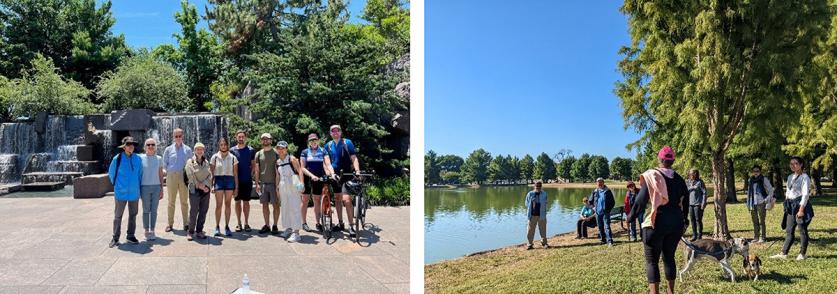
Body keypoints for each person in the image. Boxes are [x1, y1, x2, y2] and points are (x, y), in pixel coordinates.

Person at [627, 146, 689, 294]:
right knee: (669, 258)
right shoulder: (679, 179)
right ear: (673, 160)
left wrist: (630, 217)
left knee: (652, 261)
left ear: (659, 159)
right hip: (675, 224)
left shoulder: (652, 176)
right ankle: (670, 292)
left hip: (656, 223)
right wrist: (685, 219)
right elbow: (686, 200)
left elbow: (640, 202)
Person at [770, 156, 814, 261]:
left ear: (801, 165)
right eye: (791, 164)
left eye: (795, 163)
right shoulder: (790, 177)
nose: (793, 166)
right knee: (789, 230)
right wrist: (786, 203)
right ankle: (783, 253)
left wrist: (801, 209)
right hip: (791, 206)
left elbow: (805, 195)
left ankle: (802, 254)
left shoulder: (805, 177)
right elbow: (788, 192)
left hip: (800, 205)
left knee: (802, 229)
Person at [323, 125, 361, 237]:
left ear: (341, 132)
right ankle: (340, 223)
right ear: (330, 133)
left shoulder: (347, 142)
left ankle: (351, 225)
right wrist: (330, 173)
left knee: (347, 200)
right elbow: (326, 162)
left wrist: (357, 170)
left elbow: (354, 158)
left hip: (346, 175)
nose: (335, 132)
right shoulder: (328, 145)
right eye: (333, 131)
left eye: (337, 130)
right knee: (338, 199)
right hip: (335, 176)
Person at [108, 136, 143, 248]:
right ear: (124, 147)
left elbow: (140, 174)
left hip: (134, 192)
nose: (131, 146)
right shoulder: (117, 159)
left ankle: (130, 235)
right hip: (121, 192)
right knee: (118, 216)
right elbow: (111, 174)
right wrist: (117, 186)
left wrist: (137, 187)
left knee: (133, 215)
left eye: (132, 144)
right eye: (128, 144)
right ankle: (115, 237)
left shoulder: (138, 159)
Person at [163, 128, 193, 232]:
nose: (178, 138)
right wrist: (168, 172)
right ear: (173, 137)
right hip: (171, 176)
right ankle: (170, 224)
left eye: (180, 136)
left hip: (183, 176)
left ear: (183, 136)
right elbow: (164, 163)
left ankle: (186, 224)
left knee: (184, 201)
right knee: (171, 201)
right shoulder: (168, 149)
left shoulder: (188, 150)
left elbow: (191, 164)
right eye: (176, 136)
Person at [276, 141, 305, 242]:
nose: (280, 150)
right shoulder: (278, 161)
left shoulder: (292, 159)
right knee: (285, 207)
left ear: (286, 149)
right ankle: (288, 228)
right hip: (283, 184)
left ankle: (296, 233)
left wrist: (302, 184)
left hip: (293, 182)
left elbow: (300, 170)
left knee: (294, 207)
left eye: (282, 148)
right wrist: (277, 188)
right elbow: (278, 175)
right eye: (279, 148)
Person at [210, 137, 239, 237]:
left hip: (229, 180)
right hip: (218, 180)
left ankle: (227, 226)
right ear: (219, 146)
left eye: (225, 144)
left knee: (227, 204)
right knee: (218, 205)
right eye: (221, 145)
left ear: (227, 145)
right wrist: (212, 185)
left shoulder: (233, 158)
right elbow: (212, 173)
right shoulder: (214, 157)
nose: (223, 146)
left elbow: (235, 174)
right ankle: (217, 226)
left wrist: (236, 187)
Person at [185, 143, 212, 241]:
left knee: (203, 211)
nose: (200, 151)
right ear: (194, 151)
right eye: (197, 149)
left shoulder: (206, 162)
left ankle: (199, 230)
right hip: (194, 189)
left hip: (205, 190)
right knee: (194, 211)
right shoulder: (190, 162)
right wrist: (200, 185)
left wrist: (206, 186)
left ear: (204, 150)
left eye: (201, 149)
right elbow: (190, 176)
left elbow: (210, 175)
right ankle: (190, 231)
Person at [300, 133, 327, 232]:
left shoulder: (323, 150)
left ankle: (318, 223)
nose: (313, 142)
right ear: (309, 142)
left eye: (315, 140)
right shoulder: (305, 152)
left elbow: (326, 164)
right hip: (307, 177)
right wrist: (311, 176)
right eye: (311, 140)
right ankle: (303, 223)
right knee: (305, 200)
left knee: (317, 200)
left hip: (319, 178)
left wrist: (328, 173)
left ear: (318, 140)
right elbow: (302, 167)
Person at [254, 133, 280, 235]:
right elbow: (257, 170)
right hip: (263, 183)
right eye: (263, 139)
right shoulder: (258, 154)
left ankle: (275, 225)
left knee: (276, 205)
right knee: (264, 205)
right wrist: (257, 184)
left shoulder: (276, 153)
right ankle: (267, 225)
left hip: (274, 183)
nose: (265, 141)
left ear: (271, 140)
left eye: (267, 139)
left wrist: (279, 184)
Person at [230, 130, 256, 232]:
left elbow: (253, 164)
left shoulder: (251, 150)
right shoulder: (232, 150)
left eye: (242, 137)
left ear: (245, 138)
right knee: (237, 202)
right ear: (236, 137)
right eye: (239, 137)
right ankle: (238, 223)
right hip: (236, 181)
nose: (241, 138)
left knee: (246, 202)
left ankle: (246, 223)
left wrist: (250, 175)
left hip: (247, 180)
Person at [139, 138, 164, 241]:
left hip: (156, 187)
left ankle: (152, 230)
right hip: (144, 187)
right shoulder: (140, 158)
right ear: (145, 147)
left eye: (152, 144)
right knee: (145, 210)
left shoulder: (159, 158)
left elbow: (160, 174)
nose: (150, 146)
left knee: (154, 210)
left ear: (155, 146)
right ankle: (146, 231)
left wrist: (162, 188)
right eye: (148, 144)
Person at [746, 165, 773, 243]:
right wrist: (748, 202)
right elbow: (749, 192)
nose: (756, 173)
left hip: (761, 202)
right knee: (755, 221)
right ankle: (756, 237)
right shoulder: (750, 180)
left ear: (760, 171)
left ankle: (763, 237)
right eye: (754, 171)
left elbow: (771, 190)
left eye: (757, 171)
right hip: (752, 203)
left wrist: (766, 199)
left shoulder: (764, 179)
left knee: (762, 221)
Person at [524, 181, 549, 249]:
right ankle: (530, 244)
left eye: (539, 186)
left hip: (542, 215)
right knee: (530, 230)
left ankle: (544, 243)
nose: (538, 187)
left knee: (543, 230)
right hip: (532, 215)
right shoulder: (530, 194)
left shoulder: (544, 194)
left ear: (541, 187)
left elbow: (546, 202)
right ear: (534, 186)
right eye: (536, 186)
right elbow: (526, 204)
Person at [591, 178, 615, 246]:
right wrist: (593, 208)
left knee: (607, 226)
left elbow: (612, 203)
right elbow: (590, 201)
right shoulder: (595, 191)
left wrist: (608, 210)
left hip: (605, 212)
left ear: (603, 183)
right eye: (598, 182)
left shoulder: (608, 191)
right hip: (598, 213)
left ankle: (610, 241)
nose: (599, 184)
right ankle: (603, 240)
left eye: (601, 182)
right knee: (600, 227)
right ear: (596, 183)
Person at [686, 169, 708, 241]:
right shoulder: (688, 182)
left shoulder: (700, 182)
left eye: (692, 174)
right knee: (692, 220)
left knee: (698, 220)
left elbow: (704, 193)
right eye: (690, 174)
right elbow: (685, 191)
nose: (691, 175)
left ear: (696, 174)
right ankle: (694, 235)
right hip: (690, 204)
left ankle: (699, 236)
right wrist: (692, 188)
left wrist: (703, 203)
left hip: (698, 204)